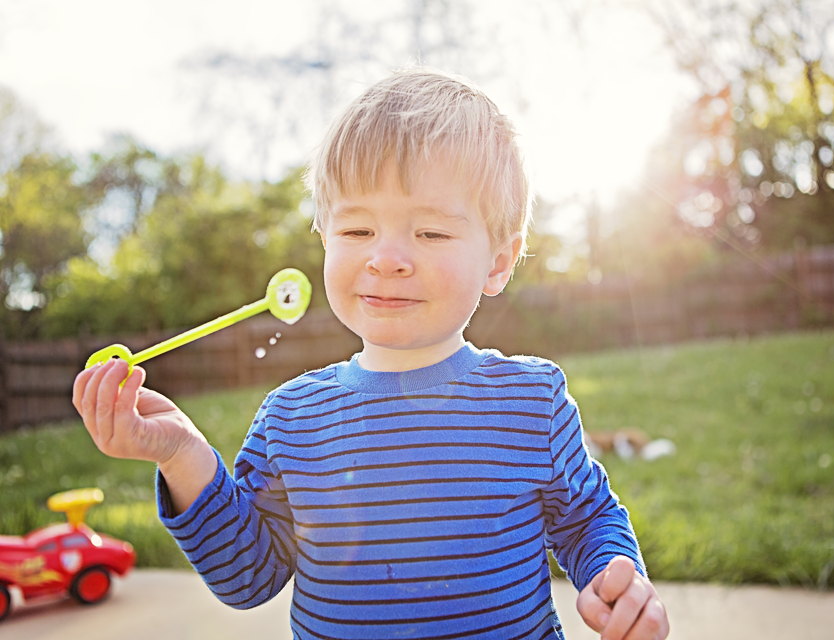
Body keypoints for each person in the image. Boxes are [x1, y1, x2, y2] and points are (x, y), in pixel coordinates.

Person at [73, 67, 669, 640]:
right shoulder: (291, 417)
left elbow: (589, 519)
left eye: (430, 232)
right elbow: (246, 578)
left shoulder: (532, 400)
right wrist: (181, 455)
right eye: (357, 231)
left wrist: (618, 579)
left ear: (498, 261)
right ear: (325, 240)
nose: (385, 257)